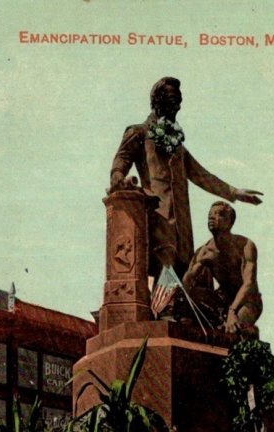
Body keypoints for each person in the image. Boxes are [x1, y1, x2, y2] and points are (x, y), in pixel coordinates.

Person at [109, 77, 263, 279]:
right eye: (172, 101)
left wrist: (234, 193)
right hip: (157, 216)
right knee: (166, 267)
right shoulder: (139, 132)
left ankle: (169, 310)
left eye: (178, 102)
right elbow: (119, 164)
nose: (177, 107)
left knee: (183, 270)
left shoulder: (178, 147)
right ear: (158, 101)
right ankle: (165, 311)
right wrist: (121, 179)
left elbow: (201, 175)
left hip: (181, 223)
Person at [181, 201, 262, 336]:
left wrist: (232, 311)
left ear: (230, 221)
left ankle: (250, 332)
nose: (212, 217)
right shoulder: (204, 251)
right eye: (210, 214)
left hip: (247, 300)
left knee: (235, 329)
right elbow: (187, 283)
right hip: (222, 299)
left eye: (219, 214)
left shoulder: (245, 245)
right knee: (194, 296)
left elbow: (249, 283)